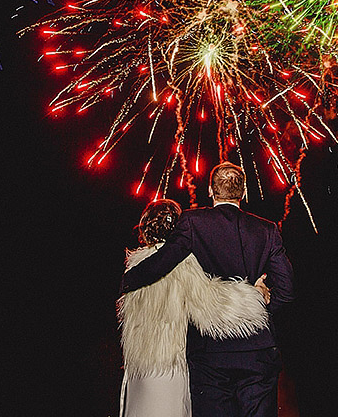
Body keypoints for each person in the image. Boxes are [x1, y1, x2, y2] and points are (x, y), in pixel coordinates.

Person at [121, 163, 294, 417]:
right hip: (257, 352)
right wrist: (256, 311)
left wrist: (129, 278)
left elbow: (164, 261)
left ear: (211, 191)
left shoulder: (192, 222)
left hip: (210, 353)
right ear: (243, 192)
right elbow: (287, 290)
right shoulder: (267, 230)